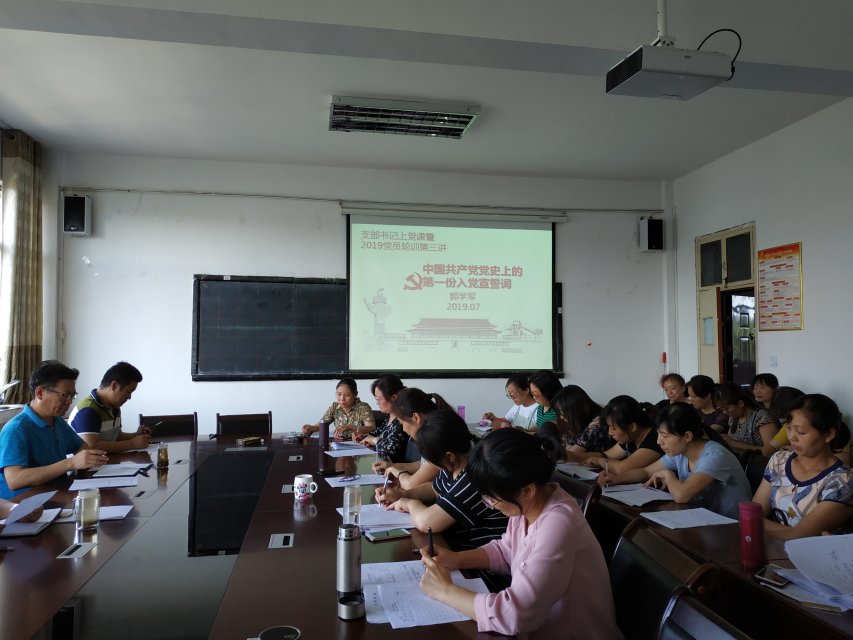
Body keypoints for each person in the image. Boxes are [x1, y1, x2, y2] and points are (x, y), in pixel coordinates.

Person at [418, 425, 622, 640]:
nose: (490, 504)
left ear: (528, 490)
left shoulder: (557, 524)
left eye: (492, 498)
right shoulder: (528, 505)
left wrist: (444, 591)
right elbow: (506, 550)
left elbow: (514, 615)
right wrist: (457, 559)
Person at [377, 410, 509, 550]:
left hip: (473, 556)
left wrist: (408, 503)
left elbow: (427, 523)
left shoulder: (473, 477)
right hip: (450, 546)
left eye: (432, 460)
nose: (432, 465)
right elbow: (434, 488)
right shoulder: (454, 465)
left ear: (449, 456)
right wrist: (402, 494)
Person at [601, 403, 751, 518]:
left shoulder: (715, 456)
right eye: (658, 434)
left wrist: (668, 474)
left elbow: (681, 495)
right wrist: (615, 479)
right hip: (702, 519)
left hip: (732, 527)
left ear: (687, 436)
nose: (659, 441)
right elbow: (645, 472)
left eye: (665, 436)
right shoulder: (680, 452)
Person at [0, 360, 108, 499]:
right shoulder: (16, 430)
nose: (70, 401)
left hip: (55, 491)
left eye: (72, 395)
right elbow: (15, 480)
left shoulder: (56, 420)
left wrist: (87, 459)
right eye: (64, 395)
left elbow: (81, 446)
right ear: (40, 393)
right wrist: (71, 463)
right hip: (25, 502)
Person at [753, 394, 853, 539]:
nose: (792, 437)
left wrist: (753, 522)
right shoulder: (779, 460)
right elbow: (755, 510)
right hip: (773, 547)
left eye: (801, 432)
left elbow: (798, 535)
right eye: (788, 428)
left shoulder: (843, 482)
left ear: (829, 434)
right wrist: (752, 518)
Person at [374, 387, 451, 490]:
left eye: (402, 423)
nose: (404, 429)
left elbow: (410, 484)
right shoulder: (430, 436)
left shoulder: (437, 441)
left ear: (416, 418)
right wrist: (392, 466)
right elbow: (424, 465)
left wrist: (399, 473)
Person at [68, 361, 151, 453]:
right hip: (82, 463)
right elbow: (91, 447)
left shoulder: (115, 407)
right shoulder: (88, 410)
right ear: (114, 385)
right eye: (128, 391)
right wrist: (132, 444)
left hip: (107, 461)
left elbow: (116, 436)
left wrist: (136, 435)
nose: (129, 397)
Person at [585, 395, 663, 477]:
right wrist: (577, 456)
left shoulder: (655, 439)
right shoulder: (631, 437)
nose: (610, 433)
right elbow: (607, 455)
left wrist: (598, 461)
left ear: (632, 427)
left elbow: (622, 468)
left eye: (613, 428)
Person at [551, 384, 612, 461]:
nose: (561, 417)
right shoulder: (574, 421)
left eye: (563, 414)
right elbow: (561, 444)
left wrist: (568, 447)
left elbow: (570, 455)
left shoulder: (597, 424)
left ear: (575, 411)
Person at [301, 377, 374, 439]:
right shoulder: (335, 407)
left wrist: (351, 427)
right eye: (339, 394)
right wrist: (310, 428)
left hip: (359, 444)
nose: (342, 398)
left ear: (355, 394)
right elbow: (321, 426)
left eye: (347, 395)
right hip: (339, 444)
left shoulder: (363, 407)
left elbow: (371, 428)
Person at [358, 375, 409, 462]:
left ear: (394, 397)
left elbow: (391, 449)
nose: (377, 403)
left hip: (394, 467)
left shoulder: (402, 420)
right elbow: (380, 432)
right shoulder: (389, 416)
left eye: (379, 399)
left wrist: (373, 440)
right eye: (376, 399)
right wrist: (363, 436)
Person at [715, 382, 777, 452]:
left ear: (740, 403)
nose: (724, 412)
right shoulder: (734, 417)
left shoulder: (762, 417)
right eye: (722, 408)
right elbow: (731, 438)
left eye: (727, 408)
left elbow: (771, 450)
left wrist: (735, 444)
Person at [761, 386, 805, 457]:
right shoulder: (788, 425)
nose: (792, 437)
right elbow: (769, 448)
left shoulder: (818, 423)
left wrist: (797, 450)